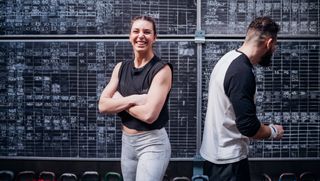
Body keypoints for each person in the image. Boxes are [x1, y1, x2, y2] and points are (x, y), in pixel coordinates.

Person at [200, 16, 285, 181]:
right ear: (268, 43)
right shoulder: (242, 72)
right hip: (229, 163)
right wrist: (273, 131)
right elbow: (248, 127)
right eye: (274, 45)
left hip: (216, 157)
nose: (274, 49)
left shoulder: (228, 59)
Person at [98, 16, 172, 181]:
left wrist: (119, 100)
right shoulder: (120, 67)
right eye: (136, 31)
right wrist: (135, 99)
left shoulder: (161, 70)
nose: (141, 36)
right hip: (127, 143)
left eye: (147, 32)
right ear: (130, 36)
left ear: (155, 37)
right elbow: (102, 105)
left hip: (152, 143)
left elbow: (149, 115)